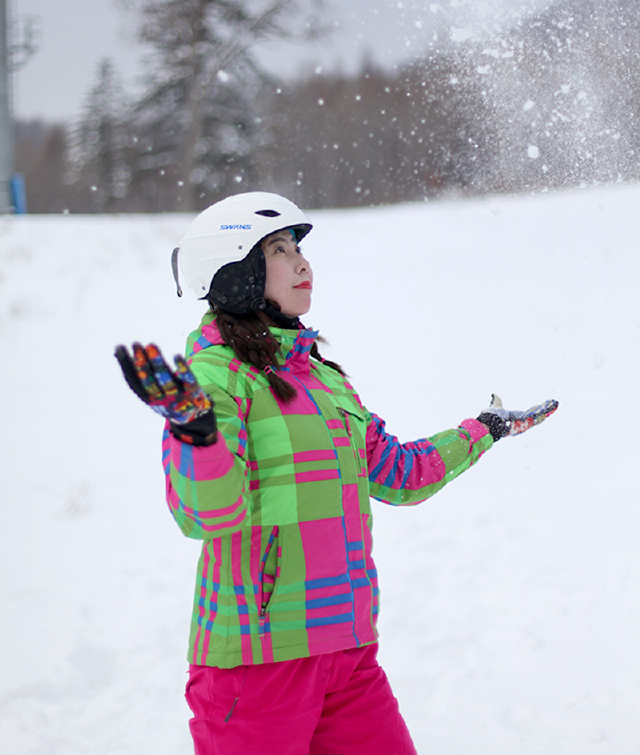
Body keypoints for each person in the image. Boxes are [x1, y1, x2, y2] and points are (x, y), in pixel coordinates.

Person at [115, 190, 558, 755]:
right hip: (258, 667)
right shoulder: (213, 379)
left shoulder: (321, 380)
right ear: (234, 273)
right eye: (278, 250)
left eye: (297, 249)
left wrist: (484, 429)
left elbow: (400, 473)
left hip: (346, 657)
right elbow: (207, 513)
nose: (303, 264)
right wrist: (196, 433)